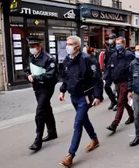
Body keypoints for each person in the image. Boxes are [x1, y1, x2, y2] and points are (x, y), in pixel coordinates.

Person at [58, 36, 103, 167]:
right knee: (83, 119)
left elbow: (97, 79)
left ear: (77, 46)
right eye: (67, 44)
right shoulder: (67, 60)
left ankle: (70, 155)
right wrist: (62, 91)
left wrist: (98, 96)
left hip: (85, 96)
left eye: (70, 44)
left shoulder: (87, 59)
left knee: (78, 123)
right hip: (74, 96)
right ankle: (94, 139)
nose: (68, 46)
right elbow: (65, 77)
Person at [23, 37, 58, 151]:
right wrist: (28, 75)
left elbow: (51, 75)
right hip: (37, 87)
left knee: (40, 112)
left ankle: (38, 141)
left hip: (46, 87)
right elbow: (27, 69)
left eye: (33, 47)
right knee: (46, 108)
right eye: (30, 47)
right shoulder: (31, 57)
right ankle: (52, 132)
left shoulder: (49, 58)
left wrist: (36, 77)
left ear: (39, 46)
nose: (31, 49)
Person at [103, 37, 135, 132]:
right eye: (116, 43)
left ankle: (115, 123)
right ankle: (132, 116)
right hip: (116, 82)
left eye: (119, 44)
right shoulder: (114, 56)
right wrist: (105, 79)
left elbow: (133, 70)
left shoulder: (129, 55)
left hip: (125, 82)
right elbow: (109, 68)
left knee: (120, 102)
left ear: (124, 44)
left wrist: (131, 86)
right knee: (124, 101)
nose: (117, 45)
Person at [103, 33, 118, 111]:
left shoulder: (118, 47)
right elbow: (106, 59)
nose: (110, 40)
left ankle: (118, 103)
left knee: (117, 88)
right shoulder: (108, 47)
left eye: (111, 38)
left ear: (115, 39)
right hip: (109, 70)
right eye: (109, 38)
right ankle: (113, 100)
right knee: (106, 86)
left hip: (116, 70)